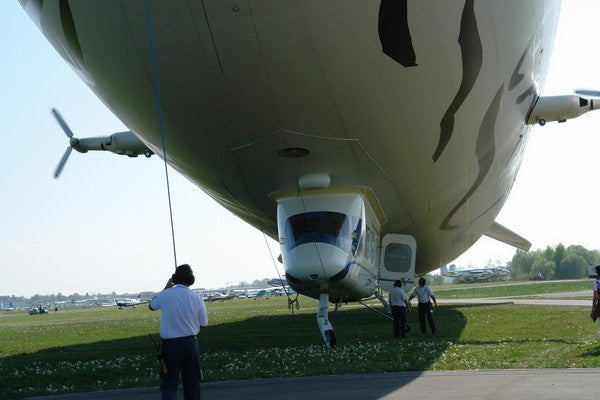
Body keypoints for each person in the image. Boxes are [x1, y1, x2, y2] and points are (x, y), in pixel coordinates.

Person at [149, 264, 208, 400]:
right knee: (192, 383)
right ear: (190, 279)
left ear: (175, 279)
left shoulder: (165, 294)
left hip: (170, 346)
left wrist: (165, 288)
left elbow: (151, 306)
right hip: (190, 344)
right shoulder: (196, 297)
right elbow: (204, 324)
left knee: (169, 384)